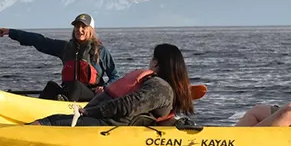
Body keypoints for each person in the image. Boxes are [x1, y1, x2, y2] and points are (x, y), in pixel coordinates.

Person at [31, 43, 195, 126]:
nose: (149, 62)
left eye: (152, 58)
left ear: (157, 63)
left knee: (50, 123)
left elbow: (128, 105)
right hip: (104, 120)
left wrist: (90, 112)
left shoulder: (160, 88)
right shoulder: (160, 86)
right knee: (51, 120)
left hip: (108, 124)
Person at [0, 13, 119, 101]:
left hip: (90, 96)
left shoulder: (100, 51)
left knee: (75, 85)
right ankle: (37, 113)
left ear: (90, 29)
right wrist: (11, 32)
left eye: (83, 27)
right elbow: (40, 41)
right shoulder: (65, 48)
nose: (79, 30)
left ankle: (63, 112)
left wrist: (105, 88)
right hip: (69, 92)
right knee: (51, 86)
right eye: (76, 26)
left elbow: (115, 76)